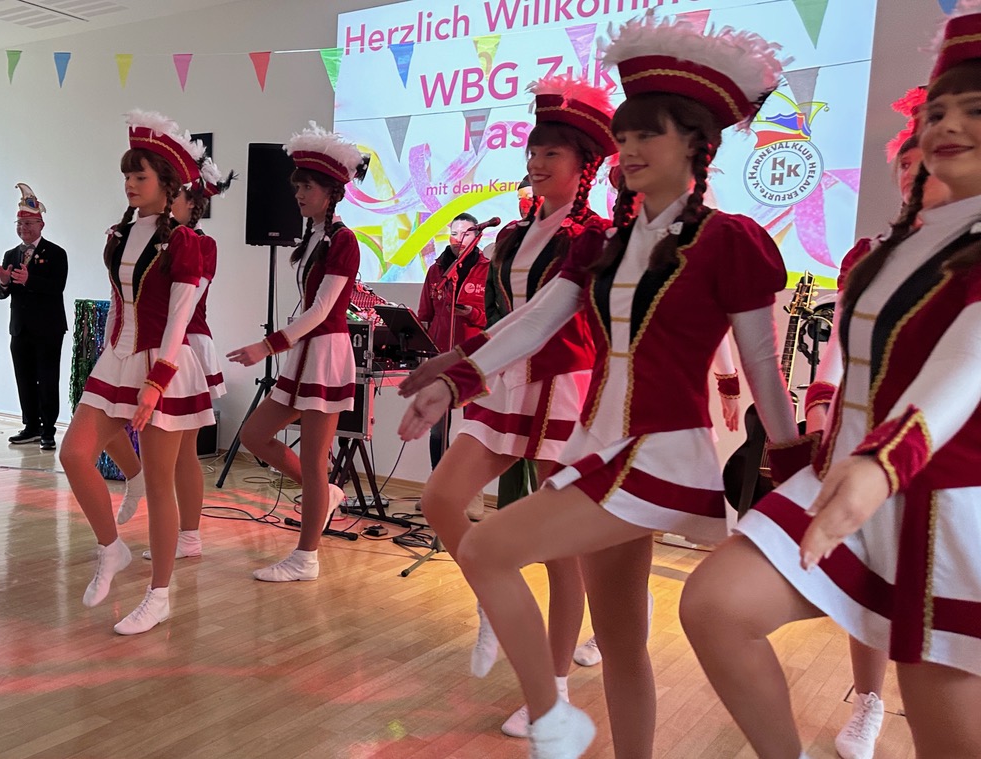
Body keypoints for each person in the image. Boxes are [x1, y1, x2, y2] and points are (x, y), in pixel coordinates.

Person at [398, 14, 796, 755]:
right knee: (620, 642)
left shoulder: (729, 240)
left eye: (650, 133)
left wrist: (795, 466)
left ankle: (552, 714)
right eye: (627, 133)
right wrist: (455, 380)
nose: (631, 147)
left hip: (659, 453)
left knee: (486, 551)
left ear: (696, 145)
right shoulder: (608, 244)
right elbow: (536, 320)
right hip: (599, 445)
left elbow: (763, 366)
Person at [684, 12, 981, 750]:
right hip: (847, 471)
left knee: (947, 731)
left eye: (974, 110)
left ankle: (870, 707)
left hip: (947, 506)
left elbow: (965, 365)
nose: (946, 127)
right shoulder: (884, 252)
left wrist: (882, 462)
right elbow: (851, 357)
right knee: (716, 604)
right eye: (937, 112)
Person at [404, 74, 615, 738]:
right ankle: (496, 600)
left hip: (564, 386)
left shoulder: (596, 236)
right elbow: (505, 319)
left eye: (553, 152)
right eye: (534, 149)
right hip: (505, 380)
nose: (537, 161)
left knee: (561, 551)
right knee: (440, 498)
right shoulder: (511, 235)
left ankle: (553, 687)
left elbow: (552, 320)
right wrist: (457, 364)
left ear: (585, 164)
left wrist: (460, 370)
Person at [798, 86, 950, 759]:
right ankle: (868, 700)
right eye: (904, 162)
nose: (913, 172)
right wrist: (821, 398)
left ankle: (937, 718)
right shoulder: (867, 252)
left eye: (925, 161)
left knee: (933, 594)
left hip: (944, 444)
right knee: (865, 576)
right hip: (864, 438)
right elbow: (843, 339)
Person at [60, 110, 214, 635]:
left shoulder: (185, 241)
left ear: (167, 184)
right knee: (74, 453)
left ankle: (160, 594)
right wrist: (104, 359)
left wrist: (158, 380)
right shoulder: (119, 232)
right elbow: (116, 302)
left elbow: (180, 316)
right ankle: (112, 548)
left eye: (140, 175)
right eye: (127, 174)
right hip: (117, 360)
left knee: (161, 483)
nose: (129, 183)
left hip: (162, 364)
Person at [227, 122, 368, 582]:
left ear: (331, 192)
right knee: (254, 435)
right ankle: (325, 493)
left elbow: (324, 309)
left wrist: (266, 345)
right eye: (298, 187)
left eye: (307, 187)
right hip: (304, 354)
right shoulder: (314, 237)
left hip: (326, 355)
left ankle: (306, 557)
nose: (299, 195)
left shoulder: (344, 240)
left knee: (312, 460)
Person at [133, 157, 235, 562]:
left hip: (186, 345)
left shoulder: (200, 243)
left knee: (183, 452)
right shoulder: (156, 236)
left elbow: (187, 303)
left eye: (175, 195)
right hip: (160, 344)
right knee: (171, 453)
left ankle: (188, 536)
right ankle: (178, 531)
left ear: (193, 203)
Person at [0, 183, 67, 451]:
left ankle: (48, 430)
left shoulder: (56, 253)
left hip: (48, 329)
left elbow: (57, 287)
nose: (23, 228)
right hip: (20, 328)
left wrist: (29, 280)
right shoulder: (11, 254)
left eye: (28, 223)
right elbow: (1, 293)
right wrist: (3, 283)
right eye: (20, 224)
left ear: (41, 225)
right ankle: (31, 426)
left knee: (47, 379)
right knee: (24, 379)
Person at [417, 212, 488, 472]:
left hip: (473, 360)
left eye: (466, 233)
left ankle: (468, 488)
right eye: (454, 233)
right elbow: (425, 315)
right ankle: (436, 482)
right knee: (437, 428)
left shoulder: (487, 269)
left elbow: (495, 317)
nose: (459, 239)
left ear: (477, 235)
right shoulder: (437, 270)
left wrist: (472, 314)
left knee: (472, 427)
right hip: (440, 357)